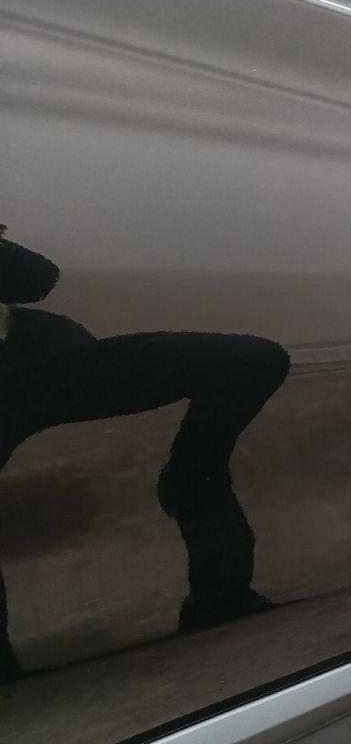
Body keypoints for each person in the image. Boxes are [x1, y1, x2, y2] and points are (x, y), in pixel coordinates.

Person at [0, 225, 290, 681]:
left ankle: (191, 485)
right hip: (20, 385)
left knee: (255, 359)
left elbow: (37, 277)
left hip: (39, 367)